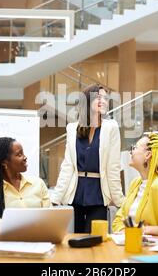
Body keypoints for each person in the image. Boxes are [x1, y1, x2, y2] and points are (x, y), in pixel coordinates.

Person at [51, 84, 124, 233]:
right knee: (74, 241)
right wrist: (55, 198)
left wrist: (120, 201)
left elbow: (113, 167)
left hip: (98, 194)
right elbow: (68, 166)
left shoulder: (111, 127)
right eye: (99, 97)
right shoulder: (72, 128)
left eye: (105, 98)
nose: (103, 101)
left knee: (95, 241)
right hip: (75, 194)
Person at [0, 137, 51, 233]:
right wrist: (26, 226)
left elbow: (50, 217)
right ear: (4, 162)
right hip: (6, 245)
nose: (25, 157)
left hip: (39, 241)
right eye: (19, 154)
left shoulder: (38, 183)